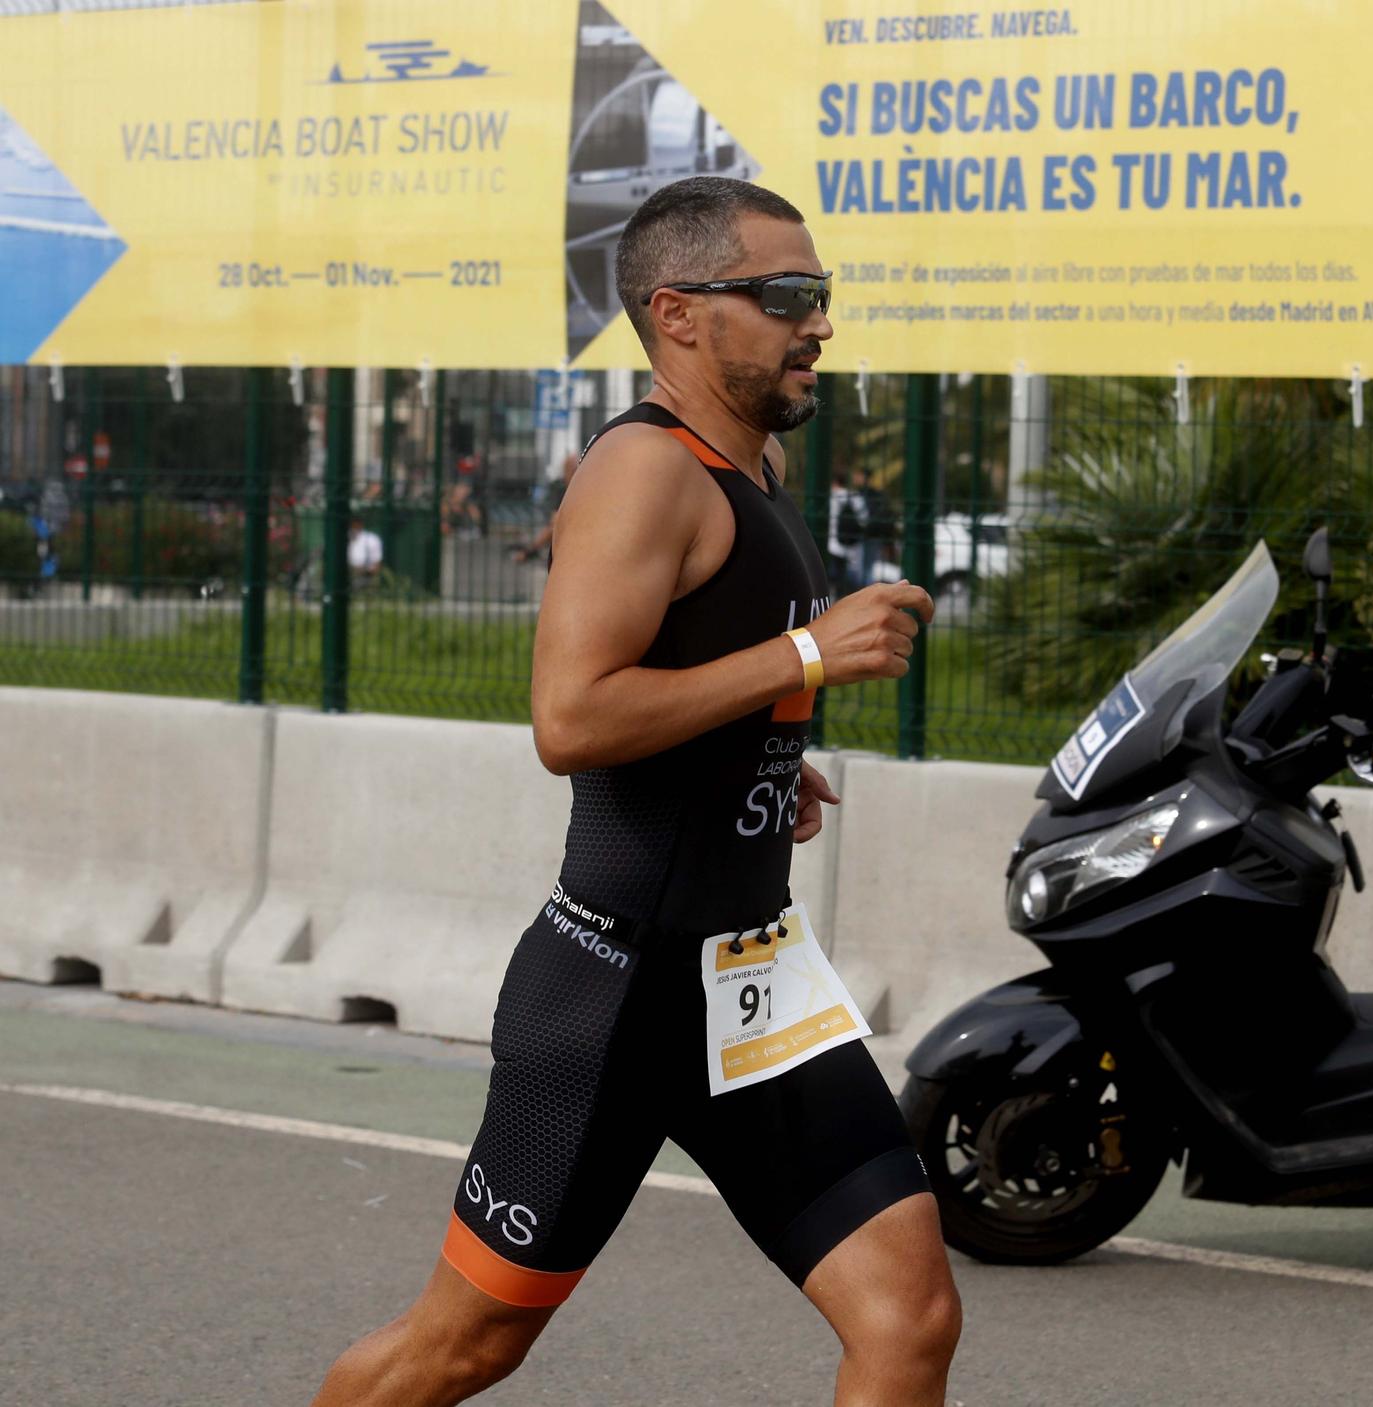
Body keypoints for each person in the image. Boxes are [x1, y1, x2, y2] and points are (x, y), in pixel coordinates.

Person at [310, 177, 960, 1406]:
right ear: (679, 314)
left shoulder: (750, 463)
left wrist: (762, 757)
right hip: (616, 997)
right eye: (785, 297)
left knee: (909, 1317)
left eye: (821, 295)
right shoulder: (645, 473)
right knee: (459, 1351)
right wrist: (809, 656)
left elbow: (678, 680)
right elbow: (572, 717)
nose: (816, 322)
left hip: (749, 990)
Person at [512, 452, 579, 566]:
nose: (572, 472)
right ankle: (530, 550)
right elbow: (555, 518)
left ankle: (529, 551)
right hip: (566, 526)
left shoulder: (578, 488)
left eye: (574, 469)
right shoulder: (561, 488)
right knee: (553, 527)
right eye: (569, 469)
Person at [346, 516, 384, 586]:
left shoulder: (371, 539)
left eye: (354, 525)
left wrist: (363, 571)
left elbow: (377, 566)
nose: (352, 528)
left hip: (366, 577)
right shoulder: (345, 538)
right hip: (346, 574)